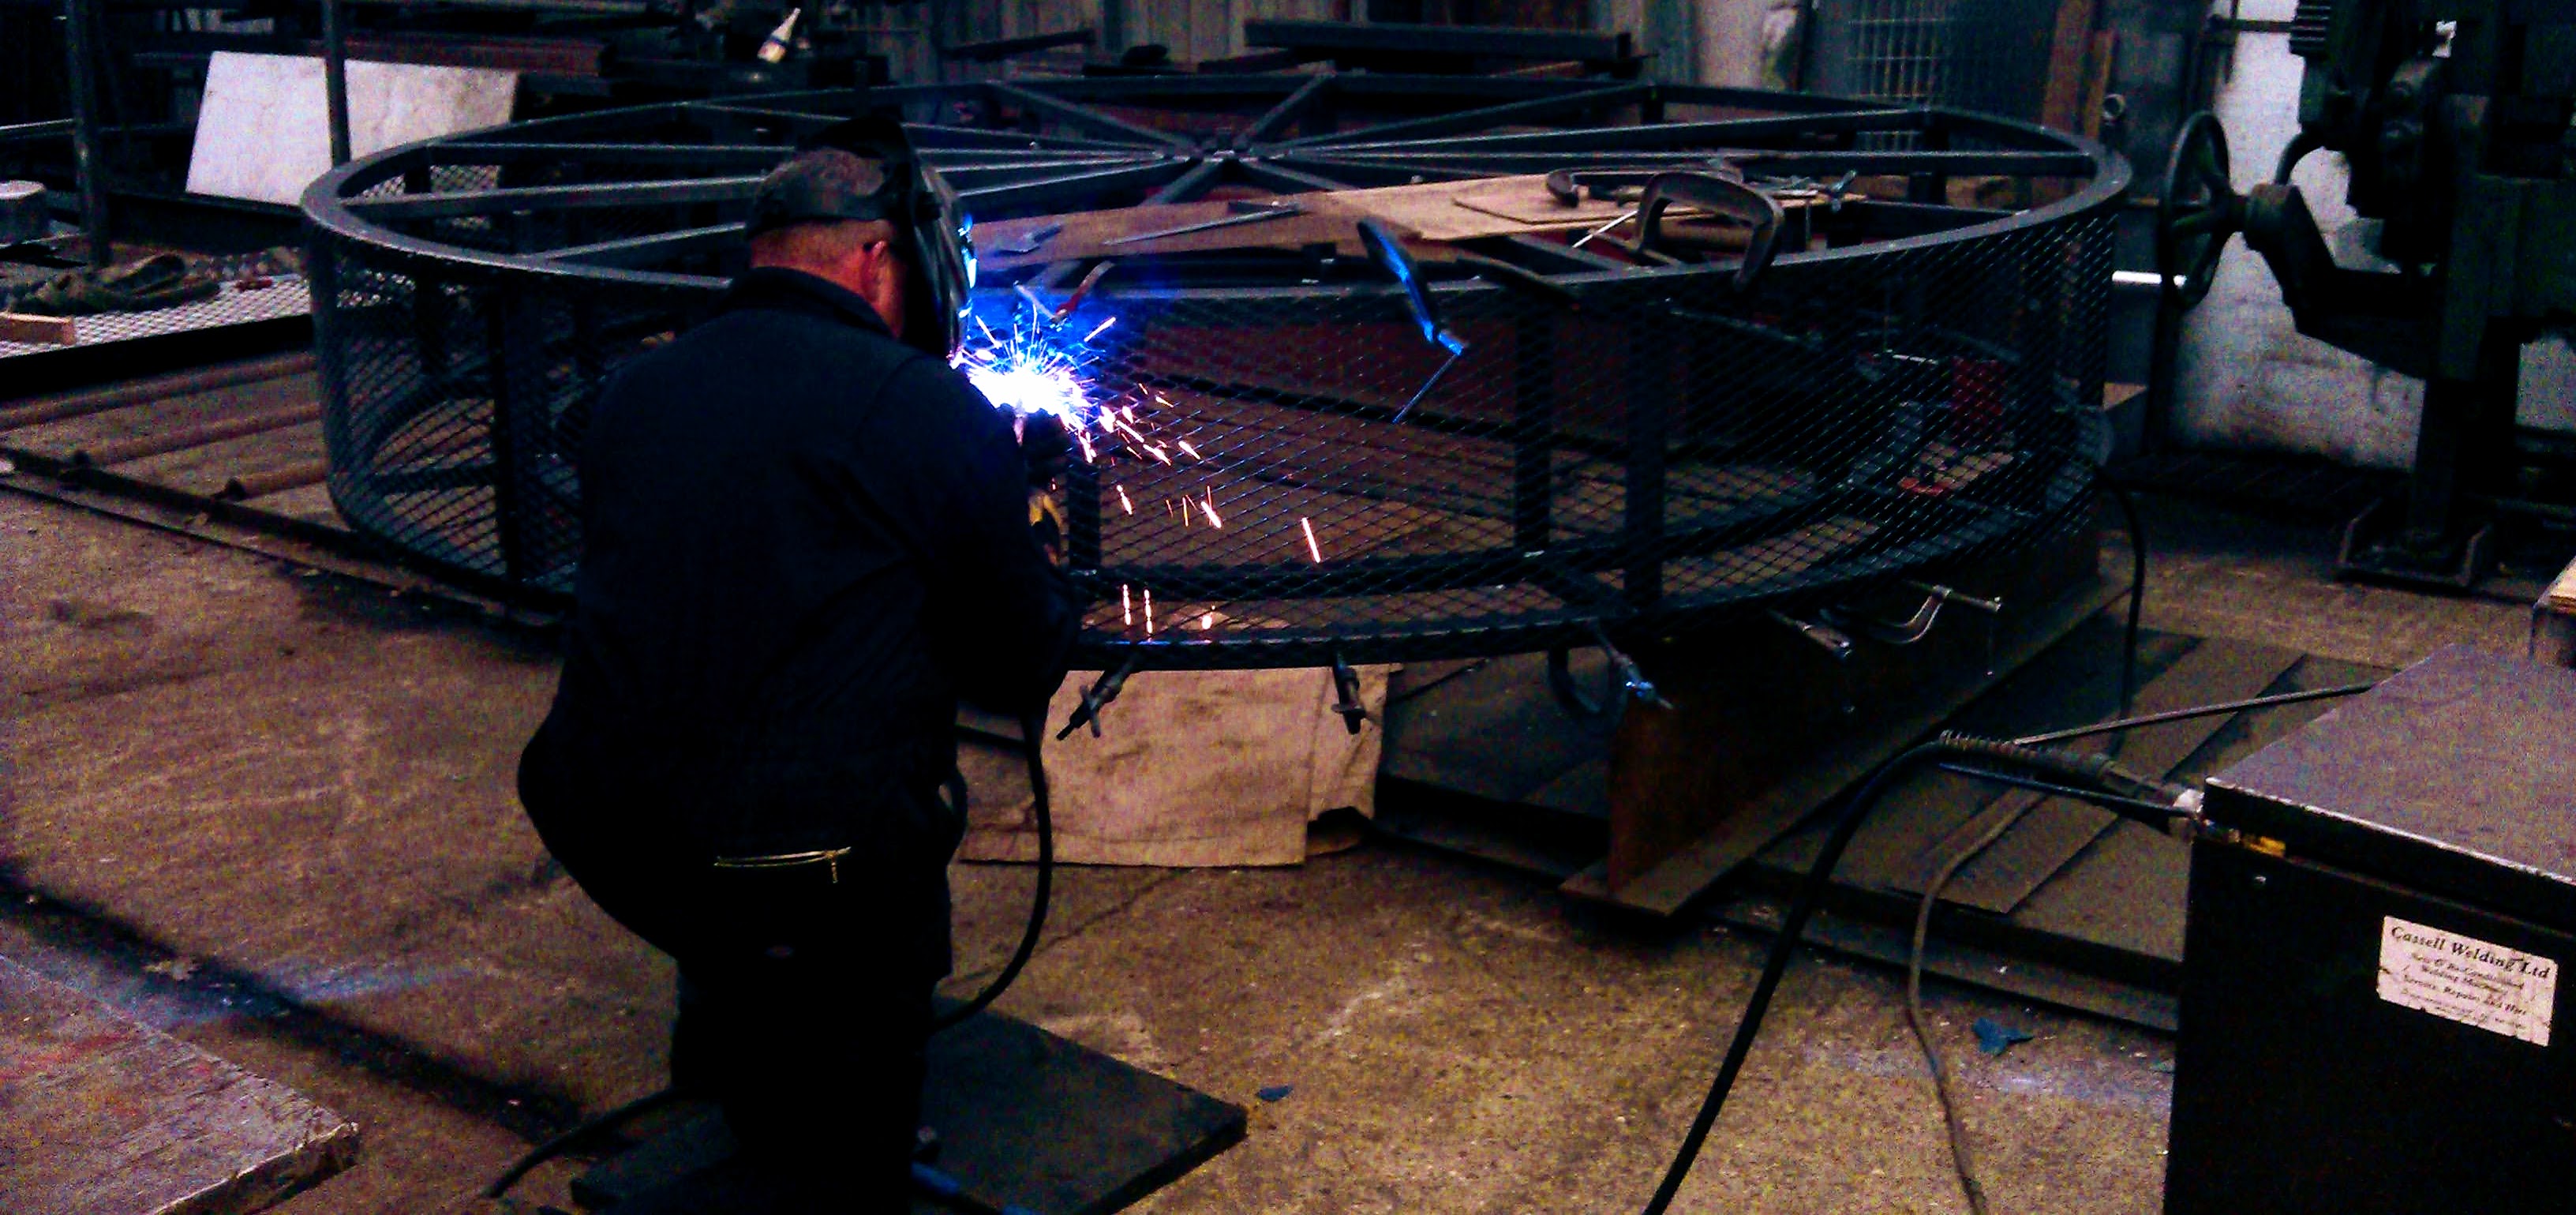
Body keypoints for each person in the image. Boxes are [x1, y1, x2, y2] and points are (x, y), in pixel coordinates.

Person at [515, 117, 1080, 1213]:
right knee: (858, 841)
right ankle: (846, 1134)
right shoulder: (922, 406)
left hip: (608, 824)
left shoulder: (637, 391)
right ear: (879, 258)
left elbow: (741, 572)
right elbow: (1018, 663)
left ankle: (736, 1041)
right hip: (814, 860)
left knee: (733, 789)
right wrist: (1037, 536)